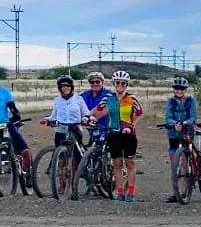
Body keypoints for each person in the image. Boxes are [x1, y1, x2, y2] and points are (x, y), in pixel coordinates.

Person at [89, 70, 144, 201]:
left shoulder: (132, 99)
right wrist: (87, 116)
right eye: (117, 83)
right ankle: (120, 192)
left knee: (130, 163)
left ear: (126, 84)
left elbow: (140, 113)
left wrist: (132, 125)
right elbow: (98, 109)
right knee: (117, 164)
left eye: (123, 83)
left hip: (129, 135)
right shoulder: (109, 98)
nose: (120, 85)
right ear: (114, 83)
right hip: (113, 134)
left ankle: (130, 192)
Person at [40, 75, 91, 195]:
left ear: (71, 87)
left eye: (68, 86)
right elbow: (54, 115)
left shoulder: (78, 99)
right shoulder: (57, 100)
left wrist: (85, 119)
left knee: (75, 159)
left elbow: (86, 113)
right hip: (61, 131)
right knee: (61, 160)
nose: (65, 88)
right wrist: (47, 120)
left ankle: (76, 182)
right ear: (60, 88)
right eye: (63, 86)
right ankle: (62, 185)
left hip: (75, 130)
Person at [162, 77, 197, 203]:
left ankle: (185, 191)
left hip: (186, 132)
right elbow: (168, 116)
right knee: (174, 165)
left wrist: (185, 123)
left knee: (184, 162)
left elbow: (193, 116)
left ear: (185, 90)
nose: (179, 91)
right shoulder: (171, 101)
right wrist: (174, 123)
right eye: (177, 88)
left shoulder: (190, 101)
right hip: (173, 134)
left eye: (181, 89)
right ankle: (175, 192)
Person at [80, 72, 110, 141]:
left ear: (102, 82)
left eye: (97, 81)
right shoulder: (84, 95)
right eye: (92, 82)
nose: (95, 84)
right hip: (91, 127)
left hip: (106, 128)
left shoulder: (108, 94)